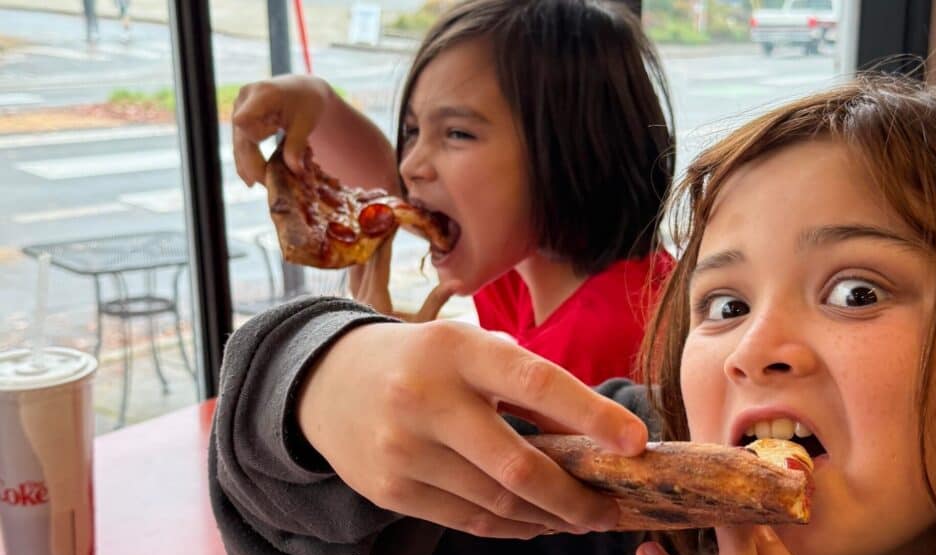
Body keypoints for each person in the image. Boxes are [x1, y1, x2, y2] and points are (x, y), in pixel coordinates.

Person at [211, 74, 936, 555]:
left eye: (856, 293)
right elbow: (296, 532)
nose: (752, 351)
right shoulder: (616, 503)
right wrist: (322, 377)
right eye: (727, 305)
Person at [231, 0, 676, 386]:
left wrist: (388, 366)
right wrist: (316, 100)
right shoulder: (523, 266)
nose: (410, 164)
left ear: (572, 150)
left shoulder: (612, 338)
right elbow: (389, 195)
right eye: (412, 130)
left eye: (457, 133)